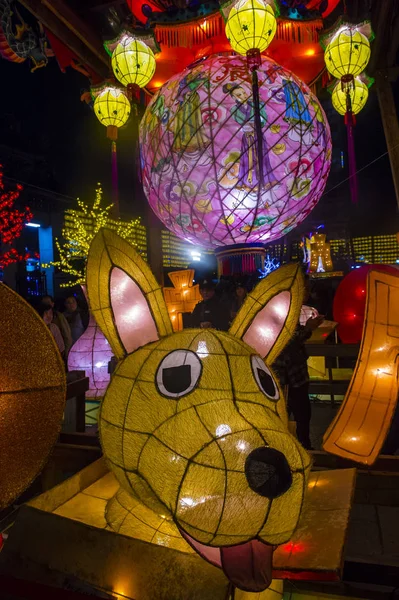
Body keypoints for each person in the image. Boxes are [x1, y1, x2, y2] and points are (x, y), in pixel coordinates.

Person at [273, 275, 324, 450]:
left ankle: (302, 447)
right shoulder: (283, 310)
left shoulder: (292, 309)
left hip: (295, 372)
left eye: (308, 289)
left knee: (302, 413)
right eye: (305, 289)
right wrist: (309, 328)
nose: (307, 293)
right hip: (284, 373)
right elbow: (287, 340)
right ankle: (292, 450)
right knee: (287, 413)